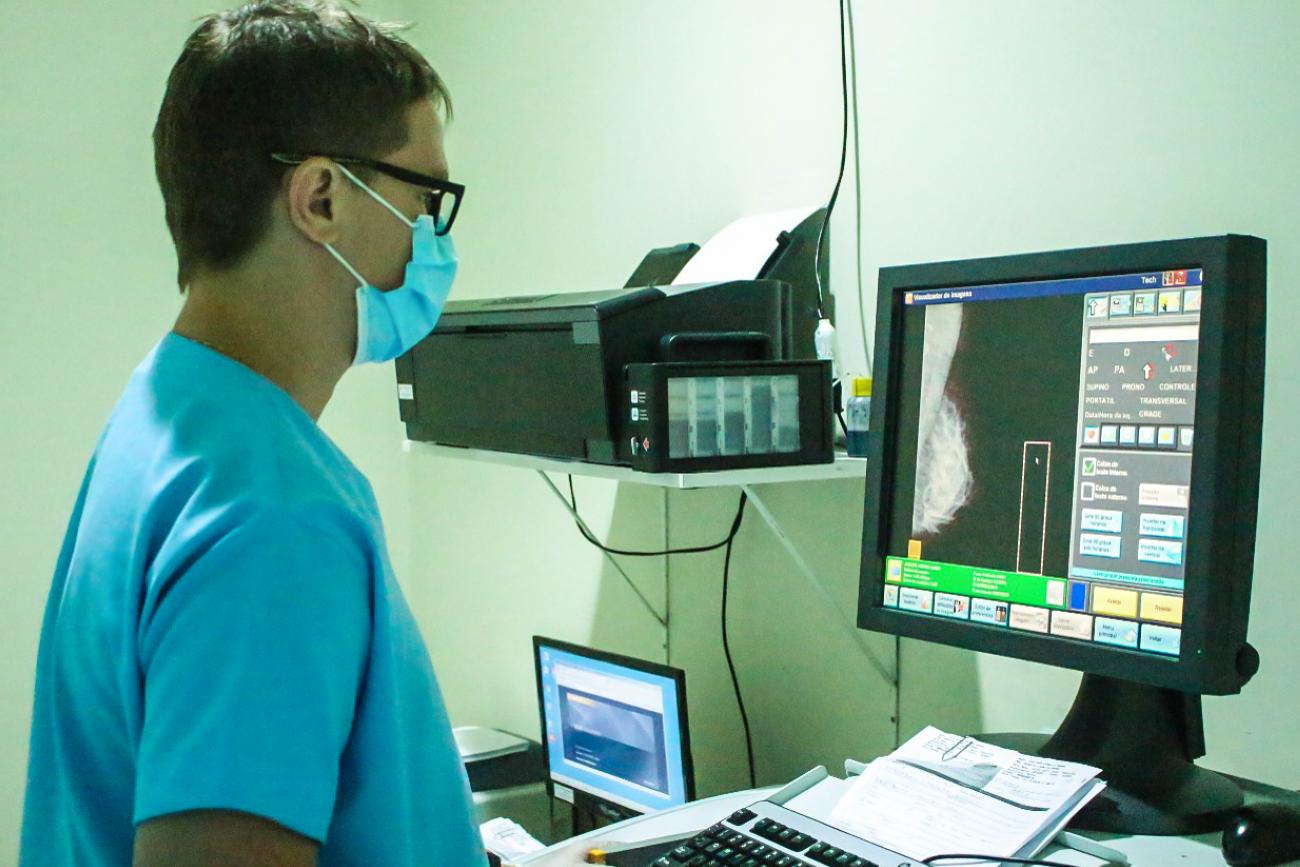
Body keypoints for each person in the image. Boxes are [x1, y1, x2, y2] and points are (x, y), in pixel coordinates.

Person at [19, 2, 482, 864]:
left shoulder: (164, 412)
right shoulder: (275, 516)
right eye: (425, 197)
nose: (431, 235)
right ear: (320, 198)